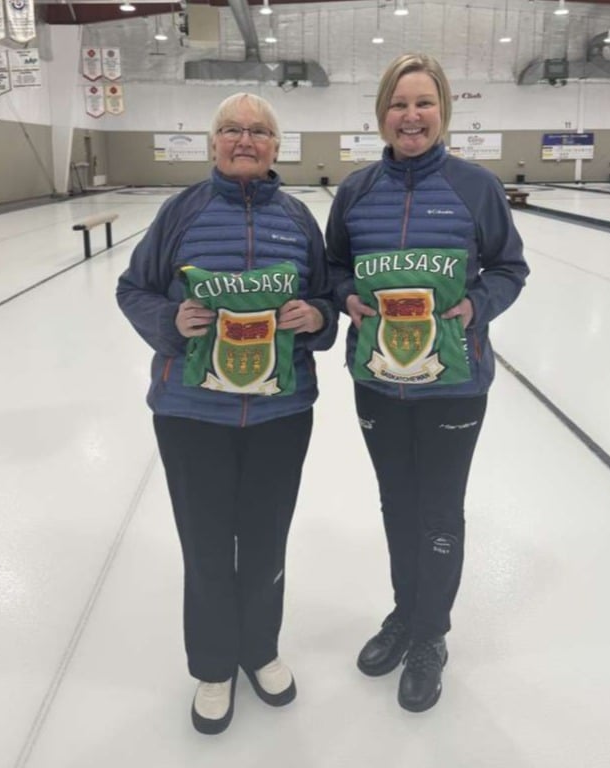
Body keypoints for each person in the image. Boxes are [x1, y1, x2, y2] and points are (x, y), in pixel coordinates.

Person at [116, 92, 337, 735]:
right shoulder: (180, 212)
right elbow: (133, 289)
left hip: (280, 414)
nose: (245, 140)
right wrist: (170, 321)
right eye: (232, 130)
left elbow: (326, 299)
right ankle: (214, 665)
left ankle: (260, 651)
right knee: (207, 546)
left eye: (259, 131)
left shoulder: (297, 218)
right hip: (191, 416)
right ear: (213, 142)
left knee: (266, 543)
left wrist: (316, 316)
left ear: (276, 146)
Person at [325, 54, 529, 713]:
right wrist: (346, 296)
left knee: (439, 509)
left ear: (443, 111)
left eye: (423, 103)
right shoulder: (356, 191)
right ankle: (404, 613)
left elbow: (509, 267)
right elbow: (333, 268)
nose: (410, 116)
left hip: (453, 384)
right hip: (378, 381)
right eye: (398, 104)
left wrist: (477, 306)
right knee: (396, 503)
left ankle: (430, 634)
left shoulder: (476, 187)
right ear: (381, 114)